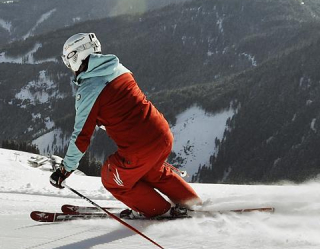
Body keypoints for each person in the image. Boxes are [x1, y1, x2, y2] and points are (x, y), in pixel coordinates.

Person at [48, 32, 204, 219]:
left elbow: (81, 137)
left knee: (111, 177)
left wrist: (65, 170)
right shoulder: (118, 68)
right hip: (162, 135)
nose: (70, 68)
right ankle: (193, 205)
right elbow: (121, 107)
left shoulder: (89, 90)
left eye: (69, 61)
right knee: (153, 172)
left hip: (140, 148)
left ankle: (161, 211)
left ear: (77, 56)